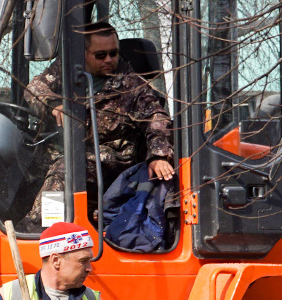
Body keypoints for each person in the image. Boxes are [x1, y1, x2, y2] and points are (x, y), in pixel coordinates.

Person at [24, 22, 175, 196]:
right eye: (100, 55)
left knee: (65, 170)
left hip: (110, 160)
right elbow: (34, 88)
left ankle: (46, 223)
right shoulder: (68, 69)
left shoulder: (132, 85)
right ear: (84, 54)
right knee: (25, 166)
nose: (109, 60)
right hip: (69, 150)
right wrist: (53, 105)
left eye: (113, 53)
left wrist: (158, 156)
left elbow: (156, 119)